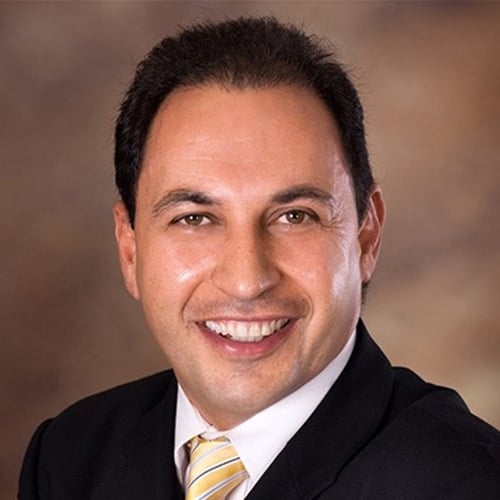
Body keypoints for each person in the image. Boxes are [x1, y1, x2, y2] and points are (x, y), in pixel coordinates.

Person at [19, 16, 500, 499]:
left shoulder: (469, 483)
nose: (247, 280)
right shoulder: (70, 458)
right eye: (194, 219)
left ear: (366, 236)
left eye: (295, 216)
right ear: (130, 249)